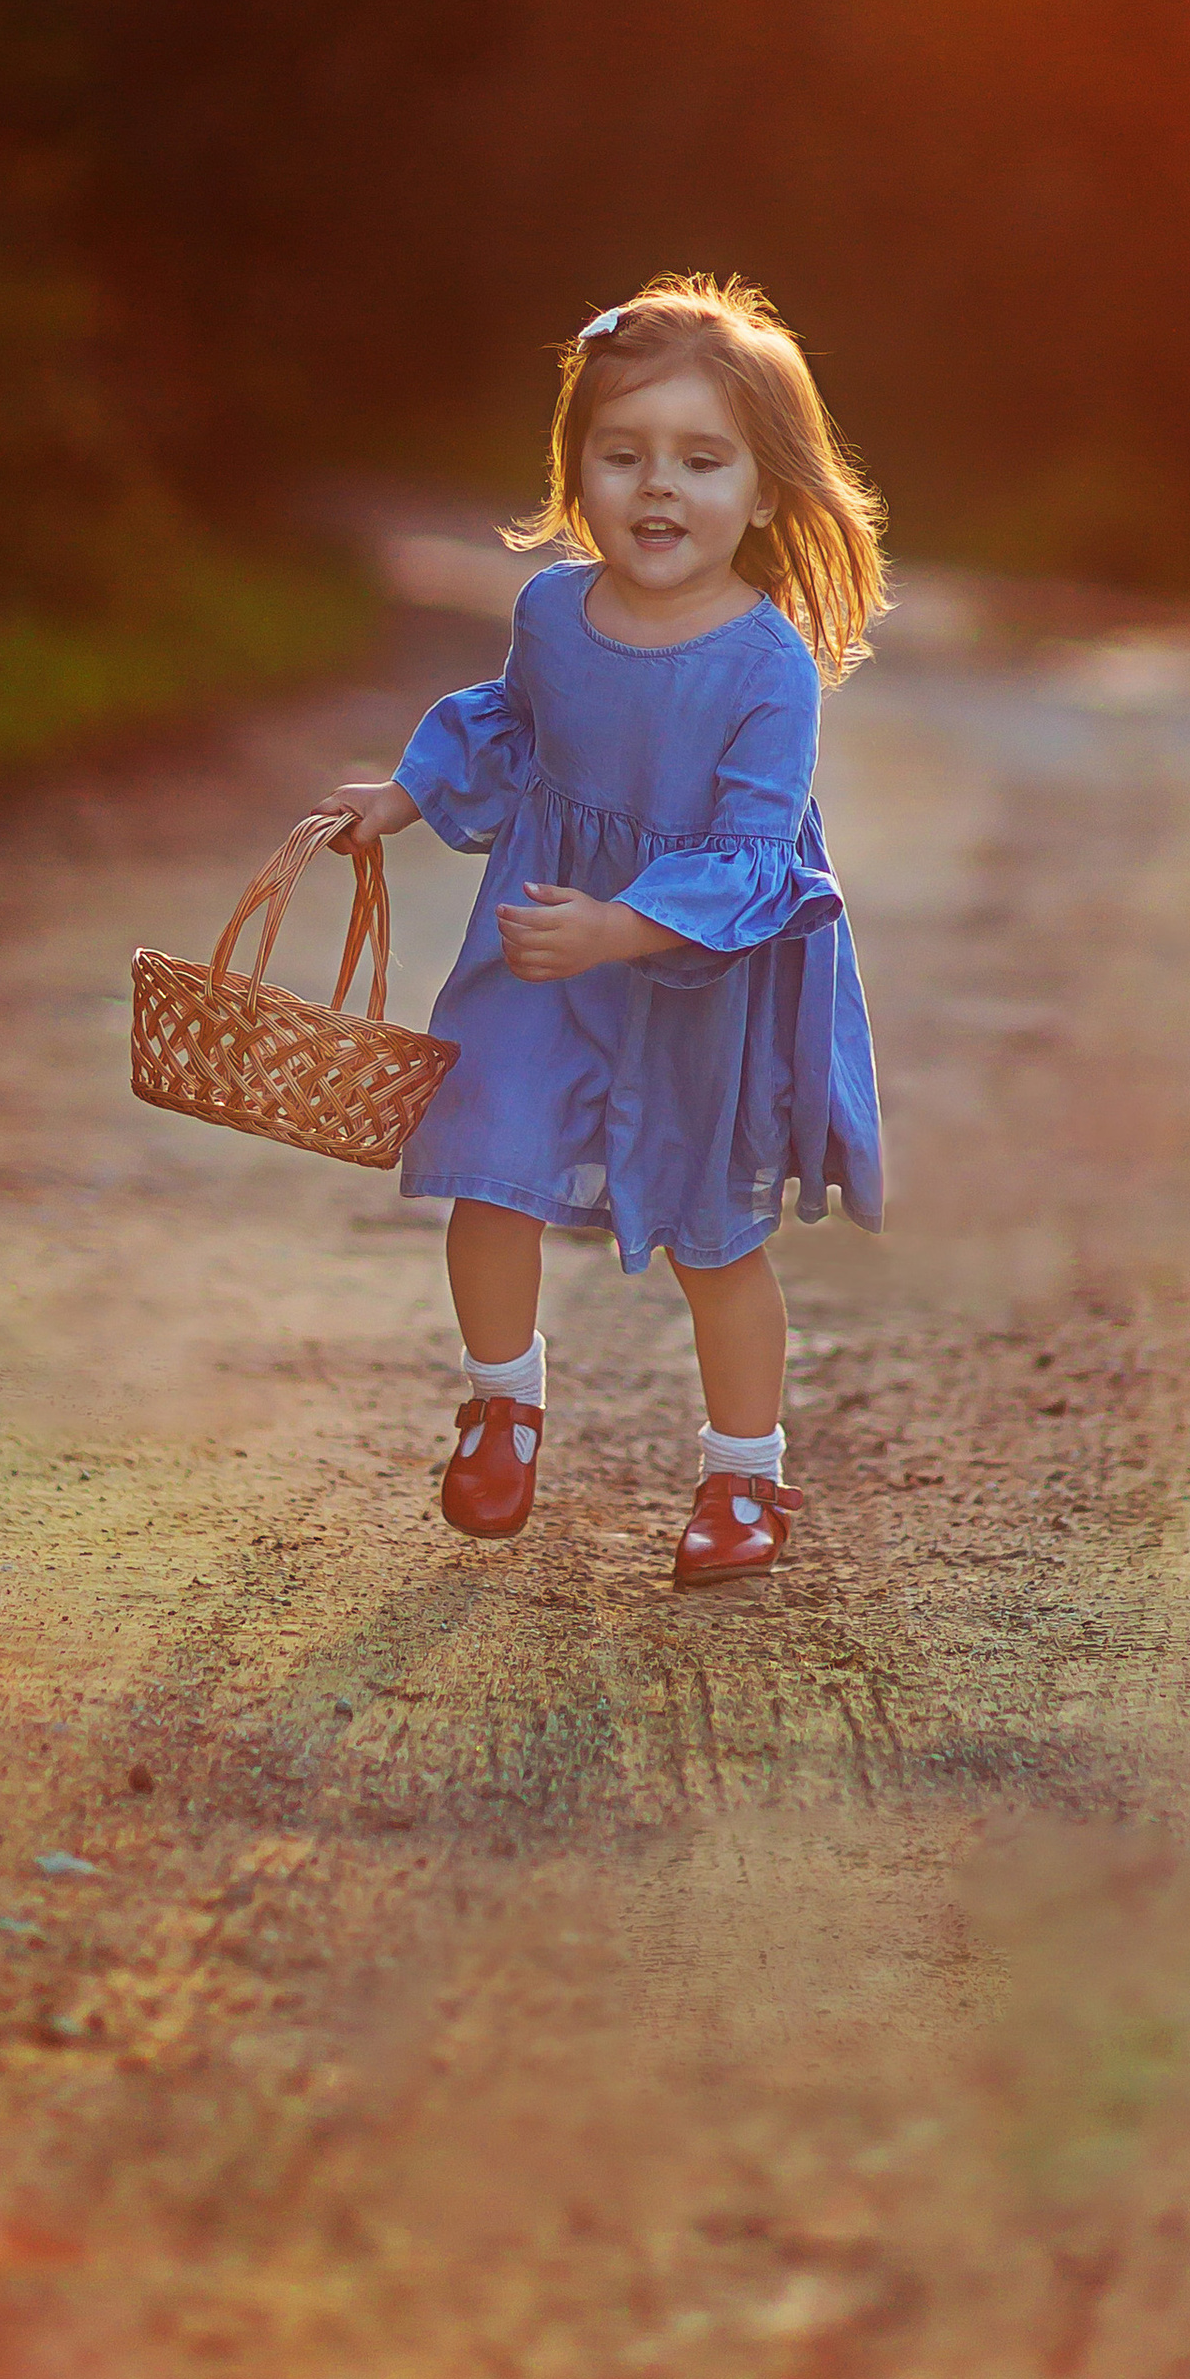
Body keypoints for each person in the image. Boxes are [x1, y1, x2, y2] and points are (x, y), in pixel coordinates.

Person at [326, 273, 886, 1588]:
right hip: (540, 948)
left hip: (691, 971)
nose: (658, 487)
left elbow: (753, 860)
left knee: (715, 1231)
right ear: (579, 473)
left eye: (701, 459)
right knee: (489, 1153)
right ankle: (500, 1404)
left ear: (762, 490)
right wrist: (403, 796)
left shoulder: (766, 666)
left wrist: (622, 928)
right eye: (623, 454)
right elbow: (512, 729)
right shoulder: (549, 617)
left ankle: (744, 1476)